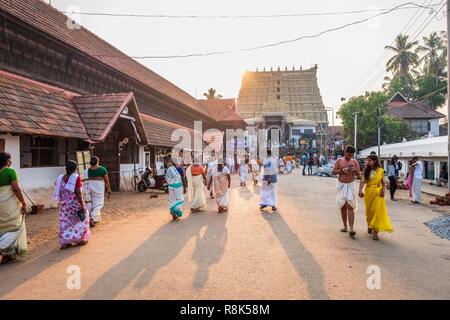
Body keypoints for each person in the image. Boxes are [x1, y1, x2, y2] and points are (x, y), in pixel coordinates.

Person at [53, 160, 90, 249]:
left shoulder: (60, 177)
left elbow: (57, 187)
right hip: (74, 203)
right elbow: (78, 192)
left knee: (65, 222)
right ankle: (80, 238)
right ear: (75, 168)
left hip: (64, 205)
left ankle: (66, 242)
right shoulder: (75, 177)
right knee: (83, 218)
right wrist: (82, 205)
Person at [358, 154, 393, 241]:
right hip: (369, 192)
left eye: (369, 160)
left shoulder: (380, 170)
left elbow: (383, 182)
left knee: (377, 211)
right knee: (370, 212)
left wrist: (383, 191)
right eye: (367, 160)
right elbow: (362, 181)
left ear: (374, 161)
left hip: (378, 192)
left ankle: (375, 232)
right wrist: (360, 190)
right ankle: (370, 225)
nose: (367, 162)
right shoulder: (365, 170)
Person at [0, 152, 27, 264]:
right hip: (10, 205)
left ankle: (8, 255)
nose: (11, 162)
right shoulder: (11, 172)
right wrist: (23, 203)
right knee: (15, 225)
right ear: (7, 161)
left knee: (2, 227)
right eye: (10, 160)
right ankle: (3, 248)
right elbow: (15, 188)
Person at [332, 145, 360, 238]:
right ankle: (345, 226)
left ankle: (351, 228)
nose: (349, 157)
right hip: (341, 184)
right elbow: (333, 172)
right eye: (348, 154)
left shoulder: (355, 161)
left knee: (350, 206)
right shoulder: (339, 161)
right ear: (345, 152)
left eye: (351, 155)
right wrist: (342, 170)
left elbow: (358, 174)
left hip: (351, 184)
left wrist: (354, 170)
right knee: (343, 206)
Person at [84, 156, 111, 227]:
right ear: (97, 162)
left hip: (89, 187)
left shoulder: (87, 170)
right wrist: (108, 188)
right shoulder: (102, 169)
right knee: (99, 204)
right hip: (98, 187)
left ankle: (96, 218)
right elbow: (106, 180)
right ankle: (92, 217)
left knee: (92, 203)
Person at [165, 156, 184, 220]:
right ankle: (174, 209)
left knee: (172, 200)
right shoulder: (179, 169)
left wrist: (170, 183)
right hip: (178, 186)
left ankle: (173, 212)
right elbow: (183, 178)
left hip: (170, 186)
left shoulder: (169, 169)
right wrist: (184, 185)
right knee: (180, 199)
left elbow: (166, 178)